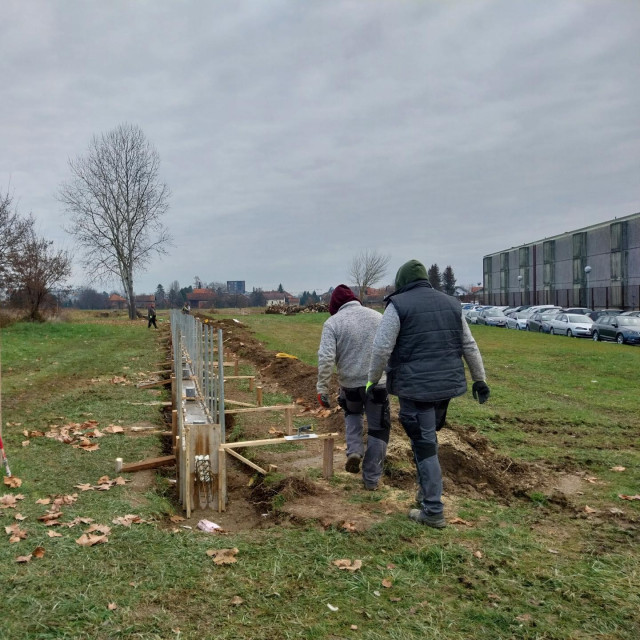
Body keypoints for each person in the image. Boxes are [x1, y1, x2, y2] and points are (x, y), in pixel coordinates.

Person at [367, 260, 490, 528]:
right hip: (445, 388)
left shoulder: (397, 305)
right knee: (426, 439)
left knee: (425, 446)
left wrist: (373, 380)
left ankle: (433, 510)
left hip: (415, 388)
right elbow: (469, 344)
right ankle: (424, 495)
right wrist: (479, 379)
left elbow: (381, 348)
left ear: (401, 282)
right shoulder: (452, 304)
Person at [317, 285, 391, 491]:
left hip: (349, 384)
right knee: (378, 430)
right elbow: (390, 348)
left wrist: (321, 388)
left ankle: (355, 451)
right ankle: (371, 479)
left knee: (352, 415)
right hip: (377, 384)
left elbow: (325, 358)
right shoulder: (378, 317)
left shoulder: (333, 323)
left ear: (335, 306)